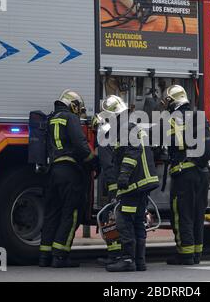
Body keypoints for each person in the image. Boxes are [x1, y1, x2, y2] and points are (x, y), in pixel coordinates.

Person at [39, 89, 100, 268]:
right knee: (70, 214)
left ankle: (45, 255)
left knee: (52, 213)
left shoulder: (50, 119)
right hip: (69, 172)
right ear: (72, 104)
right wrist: (93, 163)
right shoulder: (70, 118)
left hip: (53, 172)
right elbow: (81, 146)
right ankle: (60, 256)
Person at [101, 95, 159, 272]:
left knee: (124, 219)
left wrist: (123, 177)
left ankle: (127, 260)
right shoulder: (129, 126)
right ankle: (139, 262)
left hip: (134, 184)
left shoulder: (125, 128)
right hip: (142, 184)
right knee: (137, 222)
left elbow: (133, 151)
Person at [163, 85, 210, 266]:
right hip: (203, 173)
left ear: (172, 101)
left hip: (184, 174)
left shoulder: (173, 119)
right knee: (197, 214)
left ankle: (185, 255)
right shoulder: (199, 117)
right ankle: (196, 254)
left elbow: (169, 146)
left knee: (182, 214)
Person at [91, 114, 123, 266]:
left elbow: (108, 166)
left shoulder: (104, 140)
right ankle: (119, 253)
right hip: (120, 184)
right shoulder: (115, 136)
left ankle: (114, 254)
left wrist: (112, 187)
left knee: (109, 218)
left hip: (113, 186)